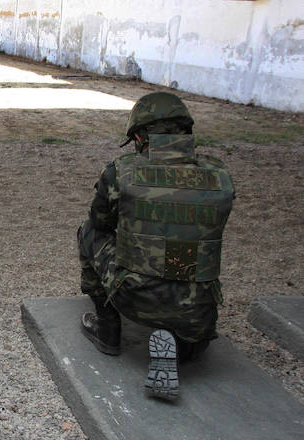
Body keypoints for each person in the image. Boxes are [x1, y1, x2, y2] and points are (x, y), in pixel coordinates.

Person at [77, 92, 234, 400]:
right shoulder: (219, 175)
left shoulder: (121, 171)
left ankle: (108, 329)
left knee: (88, 233)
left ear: (138, 135)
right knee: (183, 253)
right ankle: (184, 341)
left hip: (134, 297)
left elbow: (100, 222)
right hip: (198, 307)